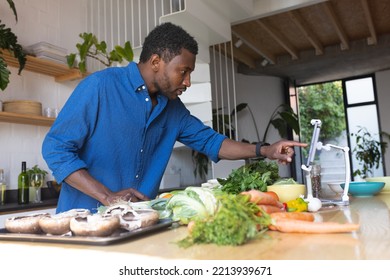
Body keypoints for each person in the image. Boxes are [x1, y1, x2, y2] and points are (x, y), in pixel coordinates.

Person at [42, 22, 307, 214]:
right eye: (183, 71)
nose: (188, 81)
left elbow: (213, 143)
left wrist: (267, 150)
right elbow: (55, 149)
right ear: (156, 61)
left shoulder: (174, 109)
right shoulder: (100, 87)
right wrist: (107, 196)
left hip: (137, 224)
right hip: (82, 224)